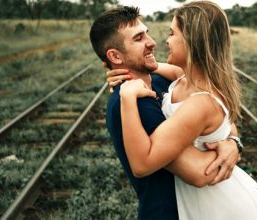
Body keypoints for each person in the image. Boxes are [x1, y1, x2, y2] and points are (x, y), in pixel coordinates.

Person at [115, 1, 257, 219]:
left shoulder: (200, 103)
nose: (165, 40)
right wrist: (125, 67)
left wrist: (126, 96)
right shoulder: (185, 78)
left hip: (220, 205)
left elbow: (143, 164)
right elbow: (160, 68)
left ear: (192, 41)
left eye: (172, 33)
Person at [89, 6, 241, 220]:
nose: (152, 42)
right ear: (114, 55)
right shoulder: (138, 105)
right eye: (139, 38)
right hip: (169, 213)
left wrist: (233, 142)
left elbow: (220, 117)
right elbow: (199, 172)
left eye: (148, 33)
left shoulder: (165, 83)